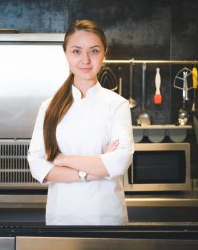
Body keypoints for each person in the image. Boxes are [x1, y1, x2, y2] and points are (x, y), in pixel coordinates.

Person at [27, 19, 134, 225]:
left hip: (107, 218)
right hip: (62, 218)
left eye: (94, 51)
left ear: (104, 53)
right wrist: (91, 173)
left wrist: (63, 160)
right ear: (66, 54)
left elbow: (120, 161)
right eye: (76, 51)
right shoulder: (49, 107)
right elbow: (37, 165)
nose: (85, 59)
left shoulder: (117, 105)